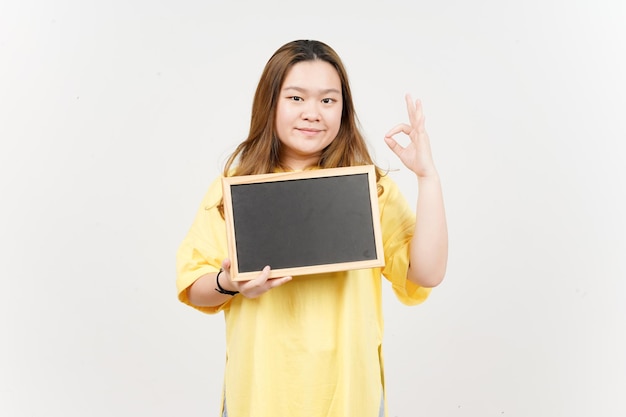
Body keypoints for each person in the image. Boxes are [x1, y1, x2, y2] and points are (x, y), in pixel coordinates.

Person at [176, 39, 448, 417]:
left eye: (328, 100)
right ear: (270, 103)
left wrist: (428, 177)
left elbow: (428, 273)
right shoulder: (235, 188)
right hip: (259, 397)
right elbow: (194, 287)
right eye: (296, 98)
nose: (312, 113)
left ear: (343, 109)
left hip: (350, 398)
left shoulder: (370, 189)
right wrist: (230, 284)